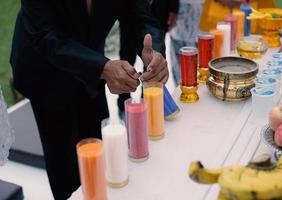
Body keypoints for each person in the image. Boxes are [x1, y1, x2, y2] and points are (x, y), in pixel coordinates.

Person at [10, 0, 168, 199]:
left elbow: (140, 16)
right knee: (64, 162)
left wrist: (154, 51)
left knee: (97, 148)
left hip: (91, 64)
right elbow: (44, 36)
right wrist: (101, 67)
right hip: (45, 71)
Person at [117, 0, 179, 116]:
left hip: (158, 10)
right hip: (129, 15)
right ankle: (123, 101)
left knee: (152, 62)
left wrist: (174, 7)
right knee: (126, 55)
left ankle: (147, 102)